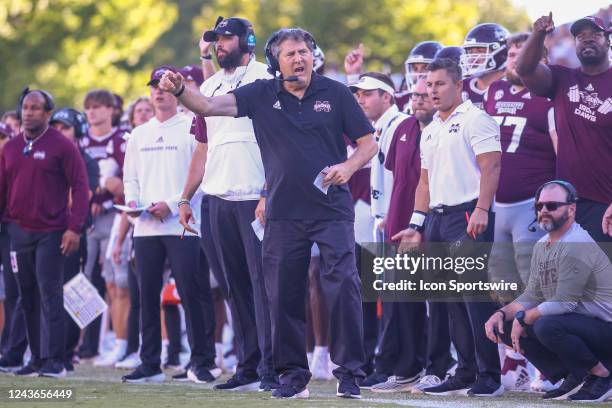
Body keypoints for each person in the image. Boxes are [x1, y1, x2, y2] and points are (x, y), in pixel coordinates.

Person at [161, 27, 377, 399]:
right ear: (275, 62)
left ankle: (350, 373)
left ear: (313, 56)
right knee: (283, 293)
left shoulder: (336, 93)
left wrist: (349, 167)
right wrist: (181, 90)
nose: (299, 58)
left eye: (305, 51)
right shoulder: (261, 94)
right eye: (290, 53)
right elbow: (210, 107)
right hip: (282, 211)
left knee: (343, 286)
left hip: (331, 209)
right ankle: (293, 376)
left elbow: (368, 144)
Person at [177, 17, 278, 392]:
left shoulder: (267, 77)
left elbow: (279, 141)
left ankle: (272, 365)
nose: (219, 45)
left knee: (263, 286)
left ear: (248, 40)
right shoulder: (209, 86)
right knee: (234, 287)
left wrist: (269, 190)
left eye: (226, 38)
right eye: (215, 40)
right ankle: (247, 364)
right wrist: (187, 195)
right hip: (217, 198)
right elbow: (203, 148)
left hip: (255, 196)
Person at [393, 58, 503, 397]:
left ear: (459, 85)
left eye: (439, 84)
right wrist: (416, 224)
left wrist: (483, 208)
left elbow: (492, 165)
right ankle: (466, 371)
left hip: (469, 215)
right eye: (429, 85)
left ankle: (490, 377)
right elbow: (424, 183)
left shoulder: (476, 119)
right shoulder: (431, 130)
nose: (432, 90)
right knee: (450, 299)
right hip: (438, 219)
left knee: (474, 298)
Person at [121, 66, 218, 384]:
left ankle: (202, 361)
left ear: (175, 89)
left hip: (183, 225)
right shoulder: (139, 133)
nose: (159, 91)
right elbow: (130, 178)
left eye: (164, 86)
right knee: (146, 296)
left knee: (193, 293)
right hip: (146, 227)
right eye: (154, 86)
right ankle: (149, 362)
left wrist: (175, 201)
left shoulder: (192, 125)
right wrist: (133, 204)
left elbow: (203, 174)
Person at [484, 180, 612, 402]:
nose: (544, 211)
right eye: (539, 206)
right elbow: (533, 294)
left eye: (552, 205)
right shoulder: (542, 244)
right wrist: (503, 313)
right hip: (580, 326)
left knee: (544, 324)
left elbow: (565, 302)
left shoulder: (576, 243)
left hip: (605, 329)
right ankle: (576, 375)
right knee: (504, 325)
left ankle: (603, 375)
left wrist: (526, 317)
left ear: (571, 209)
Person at [483, 32, 558, 392]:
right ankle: (514, 356)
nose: (515, 60)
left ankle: (543, 362)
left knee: (536, 285)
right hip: (498, 203)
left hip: (531, 200)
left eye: (522, 54)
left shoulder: (548, 92)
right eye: (511, 54)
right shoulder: (495, 90)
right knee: (501, 285)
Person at [0, 88, 89, 378]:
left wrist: (74, 228)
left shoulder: (63, 146)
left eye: (36, 108)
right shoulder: (10, 147)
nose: (28, 113)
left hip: (52, 231)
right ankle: (37, 358)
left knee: (50, 294)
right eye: (25, 107)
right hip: (18, 232)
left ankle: (56, 360)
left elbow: (80, 187)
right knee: (26, 297)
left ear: (48, 113)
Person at [350, 72, 426, 393]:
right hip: (382, 220)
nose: (361, 99)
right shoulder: (378, 128)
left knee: (402, 299)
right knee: (389, 297)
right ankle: (389, 363)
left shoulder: (402, 125)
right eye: (358, 94)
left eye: (368, 94)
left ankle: (402, 365)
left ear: (388, 97)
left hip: (400, 224)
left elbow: (407, 180)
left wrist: (404, 221)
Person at [385, 77, 457, 394]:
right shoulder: (402, 129)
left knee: (439, 300)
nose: (419, 100)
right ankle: (408, 368)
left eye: (426, 94)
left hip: (440, 222)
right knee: (404, 299)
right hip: (405, 226)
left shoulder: (448, 129)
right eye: (414, 95)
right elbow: (392, 179)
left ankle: (438, 366)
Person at [516, 14, 612, 244]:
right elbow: (525, 69)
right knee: (570, 277)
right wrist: (538, 34)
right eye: (581, 36)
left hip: (606, 204)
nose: (587, 40)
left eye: (595, 35)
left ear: (608, 40)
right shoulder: (563, 78)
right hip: (568, 204)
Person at [78, 89, 129, 366]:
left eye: (98, 106)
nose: (93, 112)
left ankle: (118, 342)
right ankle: (85, 344)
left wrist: (98, 191)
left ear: (111, 110)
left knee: (114, 280)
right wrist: (97, 189)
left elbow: (122, 185)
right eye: (89, 107)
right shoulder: (81, 140)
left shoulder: (122, 139)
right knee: (82, 282)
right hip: (84, 218)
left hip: (113, 215)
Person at [50, 108, 100, 371]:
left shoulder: (86, 160)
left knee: (70, 292)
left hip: (72, 232)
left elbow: (80, 196)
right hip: (44, 232)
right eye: (55, 128)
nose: (59, 133)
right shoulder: (46, 155)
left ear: (78, 131)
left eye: (65, 128)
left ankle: (67, 353)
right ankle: (45, 352)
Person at [461, 23, 510, 109]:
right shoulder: (460, 88)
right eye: (470, 51)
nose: (473, 57)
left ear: (502, 53)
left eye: (481, 50)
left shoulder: (513, 88)